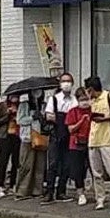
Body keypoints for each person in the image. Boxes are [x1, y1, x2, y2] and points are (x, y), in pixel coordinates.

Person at [84, 76, 110, 210]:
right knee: (96, 173)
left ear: (91, 89)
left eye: (88, 90)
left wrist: (105, 118)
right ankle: (100, 198)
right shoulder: (90, 101)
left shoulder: (109, 97)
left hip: (107, 139)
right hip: (93, 140)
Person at [43, 74, 77, 202]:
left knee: (66, 164)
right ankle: (49, 192)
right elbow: (48, 116)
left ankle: (61, 192)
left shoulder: (75, 100)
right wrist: (62, 118)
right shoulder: (54, 99)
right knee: (53, 163)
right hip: (56, 134)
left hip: (70, 135)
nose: (66, 83)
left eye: (68, 81)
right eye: (64, 81)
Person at [14, 93, 48, 201]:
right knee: (26, 164)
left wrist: (42, 117)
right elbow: (20, 120)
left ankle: (37, 190)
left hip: (41, 137)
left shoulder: (44, 104)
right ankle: (22, 191)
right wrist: (32, 117)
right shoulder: (24, 105)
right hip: (27, 137)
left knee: (39, 165)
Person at [61, 89, 92, 203]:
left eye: (86, 99)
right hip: (76, 144)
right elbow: (70, 129)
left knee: (93, 168)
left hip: (91, 142)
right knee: (78, 170)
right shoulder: (73, 112)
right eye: (82, 100)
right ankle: (81, 194)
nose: (85, 102)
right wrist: (81, 121)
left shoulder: (93, 110)